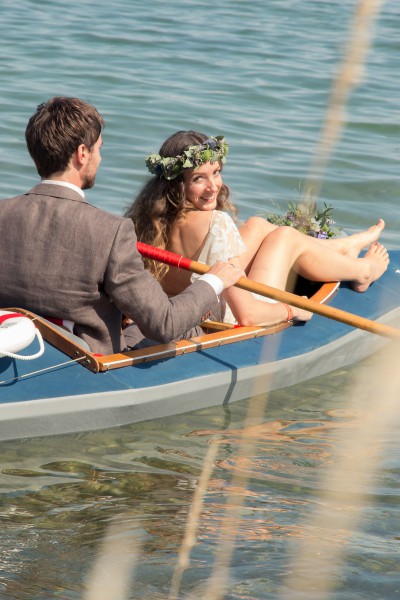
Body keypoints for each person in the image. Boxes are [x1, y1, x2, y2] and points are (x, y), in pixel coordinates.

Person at [0, 100, 245, 354]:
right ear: (82, 154)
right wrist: (214, 281)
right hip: (88, 363)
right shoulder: (110, 230)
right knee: (186, 323)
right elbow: (164, 324)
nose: (100, 158)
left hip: (21, 348)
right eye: (99, 149)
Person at [126, 130, 389, 327]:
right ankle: (364, 271)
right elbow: (248, 315)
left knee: (257, 226)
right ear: (176, 185)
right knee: (284, 237)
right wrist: (293, 308)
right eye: (198, 179)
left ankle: (342, 246)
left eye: (216, 172)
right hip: (219, 318)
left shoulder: (147, 219)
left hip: (185, 306)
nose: (213, 186)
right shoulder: (216, 223)